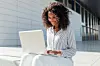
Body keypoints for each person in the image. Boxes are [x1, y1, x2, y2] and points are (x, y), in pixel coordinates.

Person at [20, 1, 76, 66]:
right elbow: (49, 47)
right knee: (27, 57)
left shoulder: (68, 30)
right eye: (49, 18)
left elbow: (73, 50)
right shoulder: (49, 30)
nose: (51, 20)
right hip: (52, 57)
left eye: (54, 17)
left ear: (61, 16)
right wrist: (44, 51)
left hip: (65, 60)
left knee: (38, 59)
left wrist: (58, 52)